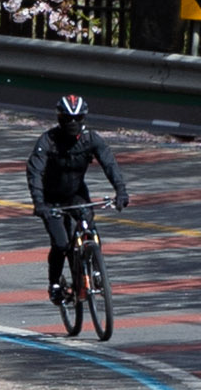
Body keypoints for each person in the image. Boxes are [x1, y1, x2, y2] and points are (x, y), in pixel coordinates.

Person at [30, 91, 130, 262]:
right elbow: (35, 172)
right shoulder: (48, 140)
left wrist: (121, 190)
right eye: (68, 118)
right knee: (61, 245)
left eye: (77, 118)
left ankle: (94, 273)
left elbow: (110, 164)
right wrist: (39, 202)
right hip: (51, 199)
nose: (73, 123)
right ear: (60, 118)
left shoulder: (91, 139)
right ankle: (55, 284)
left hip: (76, 194)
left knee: (91, 231)